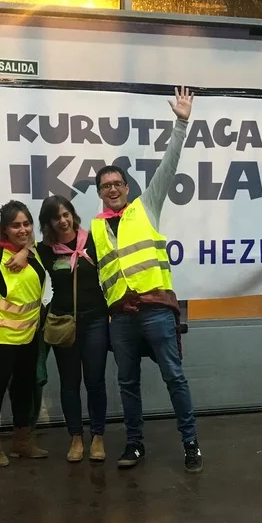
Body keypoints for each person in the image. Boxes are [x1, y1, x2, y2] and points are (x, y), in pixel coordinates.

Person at [90, 86, 202, 473]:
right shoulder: (95, 228)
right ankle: (134, 445)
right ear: (100, 193)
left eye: (117, 183)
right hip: (121, 317)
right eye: (105, 186)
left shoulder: (146, 206)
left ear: (127, 188)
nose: (112, 189)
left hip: (155, 309)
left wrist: (181, 123)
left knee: (174, 377)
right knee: (127, 383)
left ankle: (191, 444)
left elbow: (169, 166)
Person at [36, 195, 109, 463]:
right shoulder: (44, 249)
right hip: (62, 322)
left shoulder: (92, 240)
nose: (63, 220)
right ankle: (76, 437)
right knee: (69, 383)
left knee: (95, 380)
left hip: (95, 319)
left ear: (73, 214)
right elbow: (21, 250)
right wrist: (21, 253)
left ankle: (98, 436)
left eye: (66, 214)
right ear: (48, 223)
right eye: (56, 217)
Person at [0, 200, 49, 464]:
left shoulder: (35, 254)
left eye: (26, 224)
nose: (23, 229)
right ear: (5, 229)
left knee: (24, 389)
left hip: (29, 336)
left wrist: (27, 250)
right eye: (15, 225)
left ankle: (22, 442)